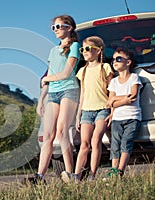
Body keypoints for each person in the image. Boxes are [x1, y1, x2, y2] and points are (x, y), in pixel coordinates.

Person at [27, 14, 80, 184]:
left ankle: (70, 174)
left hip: (68, 91)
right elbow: (49, 73)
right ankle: (40, 176)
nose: (56, 30)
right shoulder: (52, 50)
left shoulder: (75, 46)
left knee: (62, 132)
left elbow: (66, 74)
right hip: (53, 94)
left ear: (69, 28)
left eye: (59, 26)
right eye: (54, 27)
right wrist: (41, 99)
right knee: (48, 135)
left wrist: (47, 80)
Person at [62, 36, 114, 183]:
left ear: (98, 51)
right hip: (87, 111)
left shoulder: (105, 68)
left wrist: (112, 110)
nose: (84, 52)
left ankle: (92, 174)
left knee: (95, 140)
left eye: (87, 49)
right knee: (84, 144)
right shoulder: (82, 71)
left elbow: (112, 91)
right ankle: (76, 175)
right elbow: (83, 94)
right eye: (82, 49)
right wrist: (78, 115)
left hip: (102, 109)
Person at [104, 48, 142, 179]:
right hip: (117, 118)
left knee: (126, 142)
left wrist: (117, 99)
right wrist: (123, 100)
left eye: (118, 59)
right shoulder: (113, 81)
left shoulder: (134, 77)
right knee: (115, 145)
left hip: (132, 117)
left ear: (128, 62)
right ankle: (113, 169)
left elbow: (133, 96)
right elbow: (110, 102)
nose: (114, 61)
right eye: (113, 59)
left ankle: (120, 170)